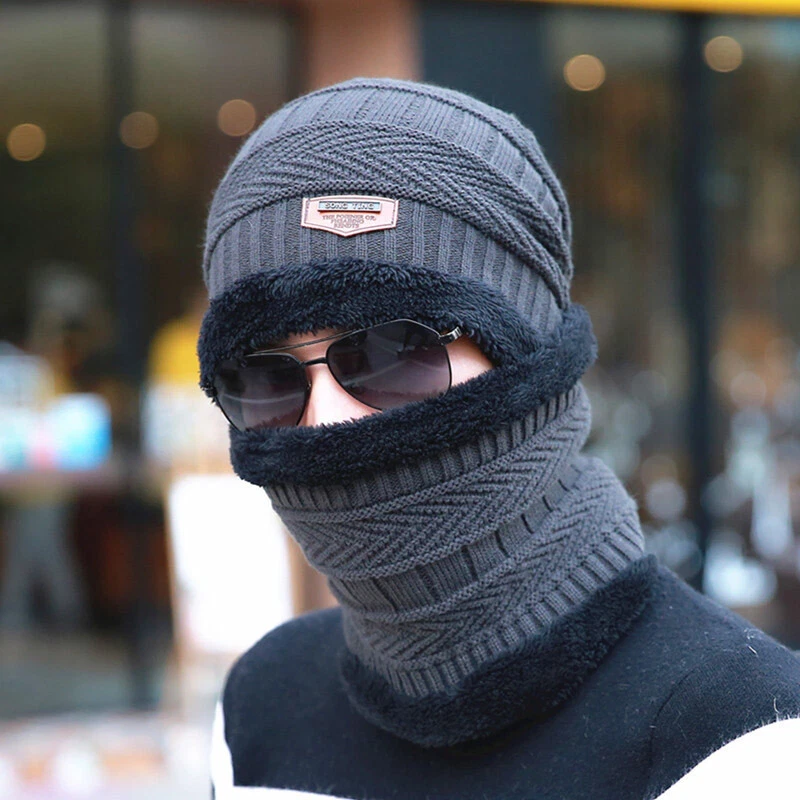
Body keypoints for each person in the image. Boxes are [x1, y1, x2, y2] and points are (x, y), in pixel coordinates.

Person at [198, 78, 800, 799]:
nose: (324, 420)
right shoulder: (258, 709)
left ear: (529, 355)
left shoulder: (739, 736)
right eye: (266, 380)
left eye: (392, 352)